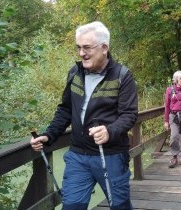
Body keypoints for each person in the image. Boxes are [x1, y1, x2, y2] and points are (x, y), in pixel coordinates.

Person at [30, 21, 138, 210]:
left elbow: (129, 115)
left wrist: (109, 131)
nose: (81, 53)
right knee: (71, 207)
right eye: (79, 48)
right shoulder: (75, 73)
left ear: (104, 48)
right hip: (78, 156)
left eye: (87, 47)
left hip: (111, 155)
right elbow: (65, 109)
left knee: (119, 206)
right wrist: (49, 135)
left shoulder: (122, 75)